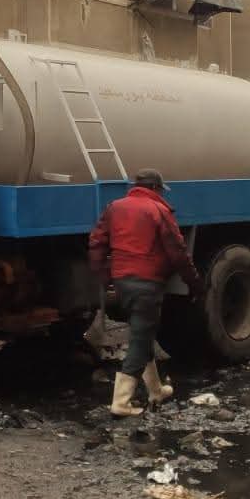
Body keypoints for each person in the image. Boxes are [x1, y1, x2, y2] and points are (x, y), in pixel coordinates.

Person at [88, 169, 204, 417]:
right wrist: (194, 283)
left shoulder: (114, 207)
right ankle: (121, 402)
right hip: (147, 282)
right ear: (155, 188)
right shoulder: (158, 211)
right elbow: (178, 252)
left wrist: (104, 276)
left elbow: (97, 242)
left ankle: (156, 390)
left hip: (122, 281)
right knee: (140, 339)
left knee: (143, 333)